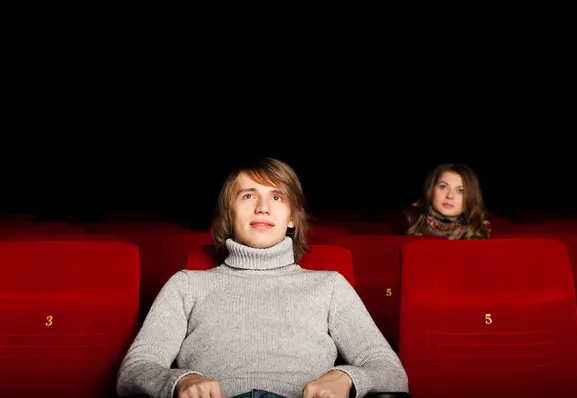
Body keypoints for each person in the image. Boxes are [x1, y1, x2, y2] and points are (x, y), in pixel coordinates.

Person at [116, 157, 409, 398]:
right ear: (228, 214)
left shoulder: (329, 285)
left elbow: (390, 371)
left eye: (277, 196)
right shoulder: (186, 285)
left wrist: (345, 377)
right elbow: (135, 370)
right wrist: (181, 381)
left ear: (292, 217)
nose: (262, 207)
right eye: (248, 195)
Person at [405, 163, 490, 240]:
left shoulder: (477, 236)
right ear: (431, 190)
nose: (450, 196)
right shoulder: (413, 229)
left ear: (470, 198)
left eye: (461, 191)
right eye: (443, 187)